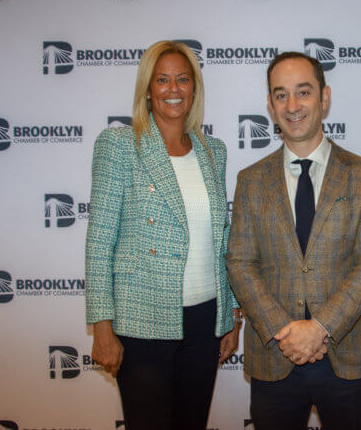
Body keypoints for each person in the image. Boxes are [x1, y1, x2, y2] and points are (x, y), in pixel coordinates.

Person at [226, 52, 361, 430]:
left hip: (347, 357)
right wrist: (286, 332)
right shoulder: (251, 181)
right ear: (269, 104)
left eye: (303, 92)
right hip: (274, 356)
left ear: (324, 98)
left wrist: (319, 328)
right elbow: (239, 262)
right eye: (281, 95)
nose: (293, 105)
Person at [85, 40, 240, 430]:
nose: (174, 89)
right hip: (141, 322)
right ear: (148, 89)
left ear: (194, 88)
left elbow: (223, 239)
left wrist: (231, 315)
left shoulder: (213, 151)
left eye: (183, 79)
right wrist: (102, 325)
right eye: (163, 80)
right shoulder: (119, 145)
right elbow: (100, 239)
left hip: (205, 321)